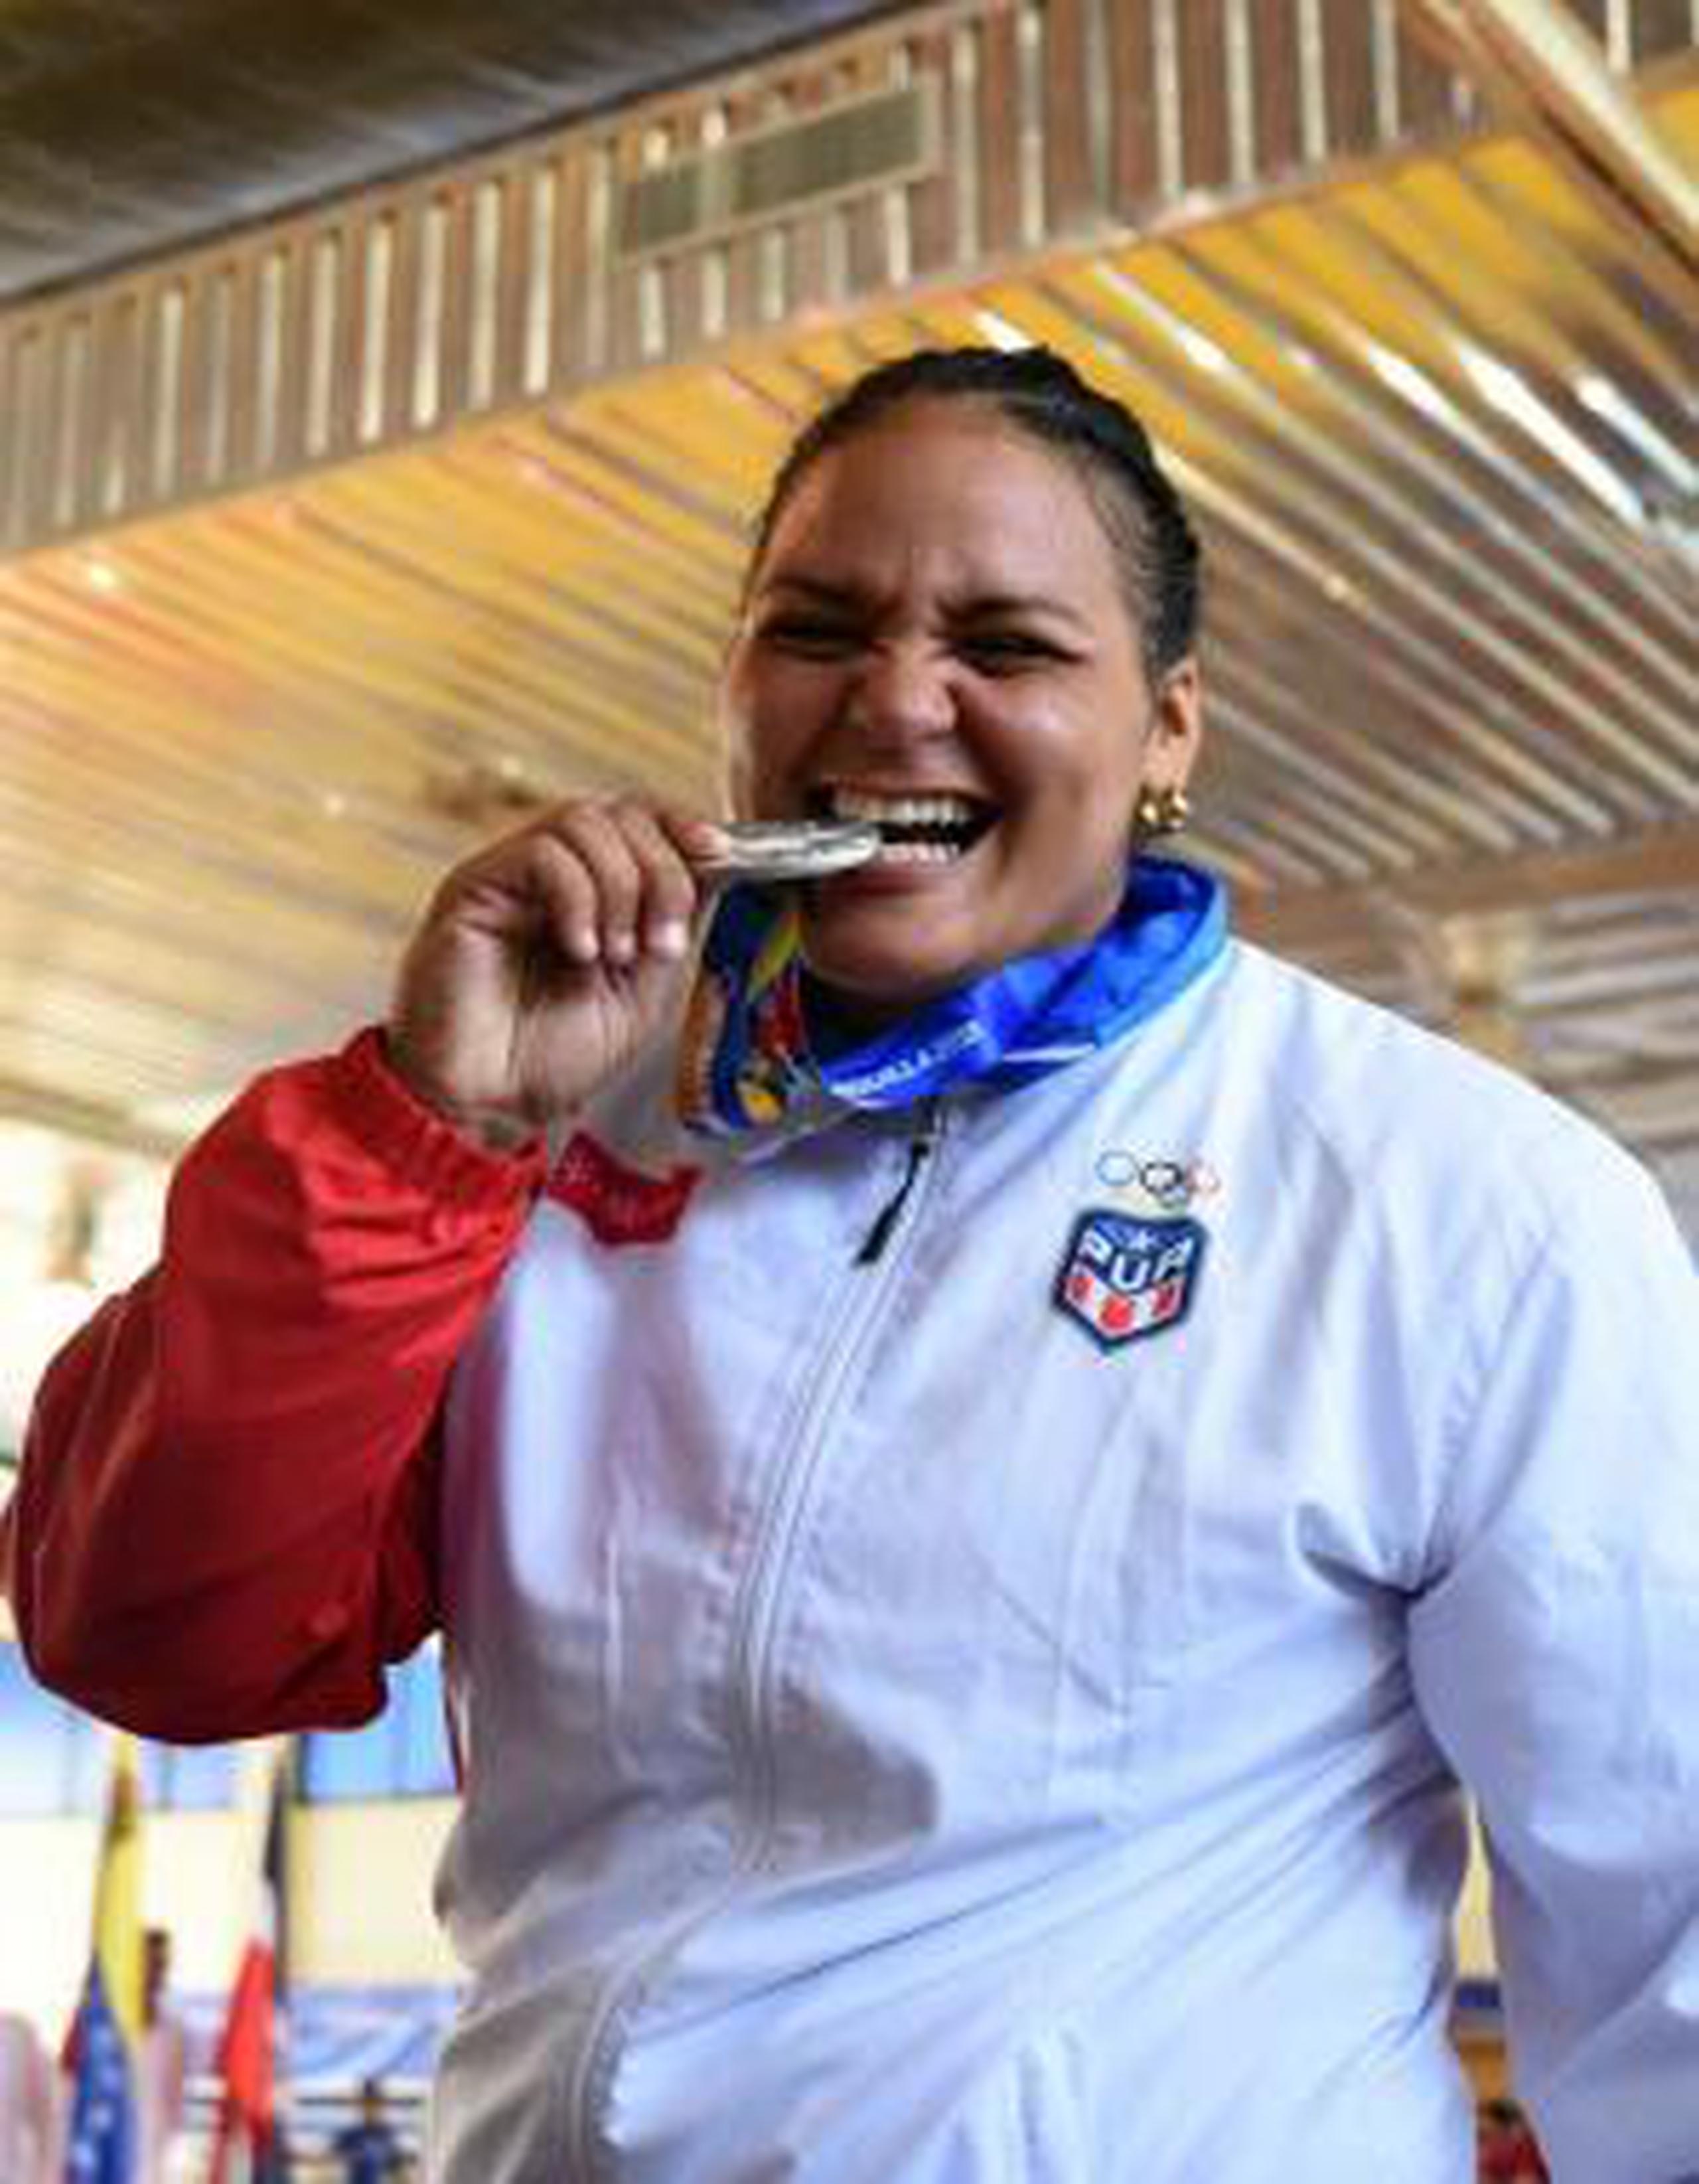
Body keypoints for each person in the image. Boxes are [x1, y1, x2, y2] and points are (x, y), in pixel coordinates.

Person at [3, 345, 1696, 2181]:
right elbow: (153, 1628)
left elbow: (1667, 1934)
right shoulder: (547, 1147)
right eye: (816, 627)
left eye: (1010, 645)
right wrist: (431, 1125)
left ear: (1172, 730)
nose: (897, 703)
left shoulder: (1458, 1202)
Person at [332, 2076, 409, 2183]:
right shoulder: (349, 2135)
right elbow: (330, 2163)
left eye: (375, 2103)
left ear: (381, 2106)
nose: (370, 2108)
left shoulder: (387, 2135)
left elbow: (399, 2172)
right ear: (360, 2106)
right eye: (366, 2104)